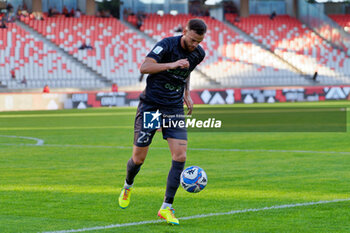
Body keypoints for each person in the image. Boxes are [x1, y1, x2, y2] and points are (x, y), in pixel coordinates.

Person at [118, 18, 207, 225]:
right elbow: (144, 67)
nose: (195, 45)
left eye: (199, 42)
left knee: (180, 155)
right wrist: (172, 64)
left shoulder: (199, 54)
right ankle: (128, 185)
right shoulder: (166, 45)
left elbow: (186, 72)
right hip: (151, 105)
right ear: (184, 31)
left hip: (173, 107)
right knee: (138, 159)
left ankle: (166, 207)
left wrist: (187, 93)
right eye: (192, 40)